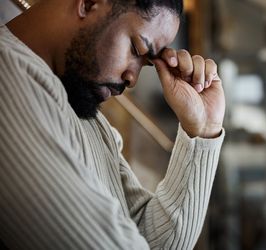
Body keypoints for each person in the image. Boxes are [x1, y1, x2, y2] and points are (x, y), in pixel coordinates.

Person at [0, 0, 225, 249]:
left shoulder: (87, 116)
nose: (132, 78)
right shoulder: (6, 76)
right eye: (137, 49)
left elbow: (151, 241)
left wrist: (202, 129)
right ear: (89, 4)